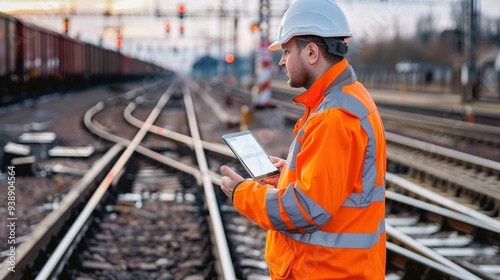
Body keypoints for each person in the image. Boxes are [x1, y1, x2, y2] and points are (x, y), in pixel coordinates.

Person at [220, 0, 387, 278]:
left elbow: (306, 210)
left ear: (311, 52)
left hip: (326, 271)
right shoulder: (350, 97)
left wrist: (243, 194)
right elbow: (338, 184)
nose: (281, 61)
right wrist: (287, 176)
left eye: (286, 51)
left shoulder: (333, 117)